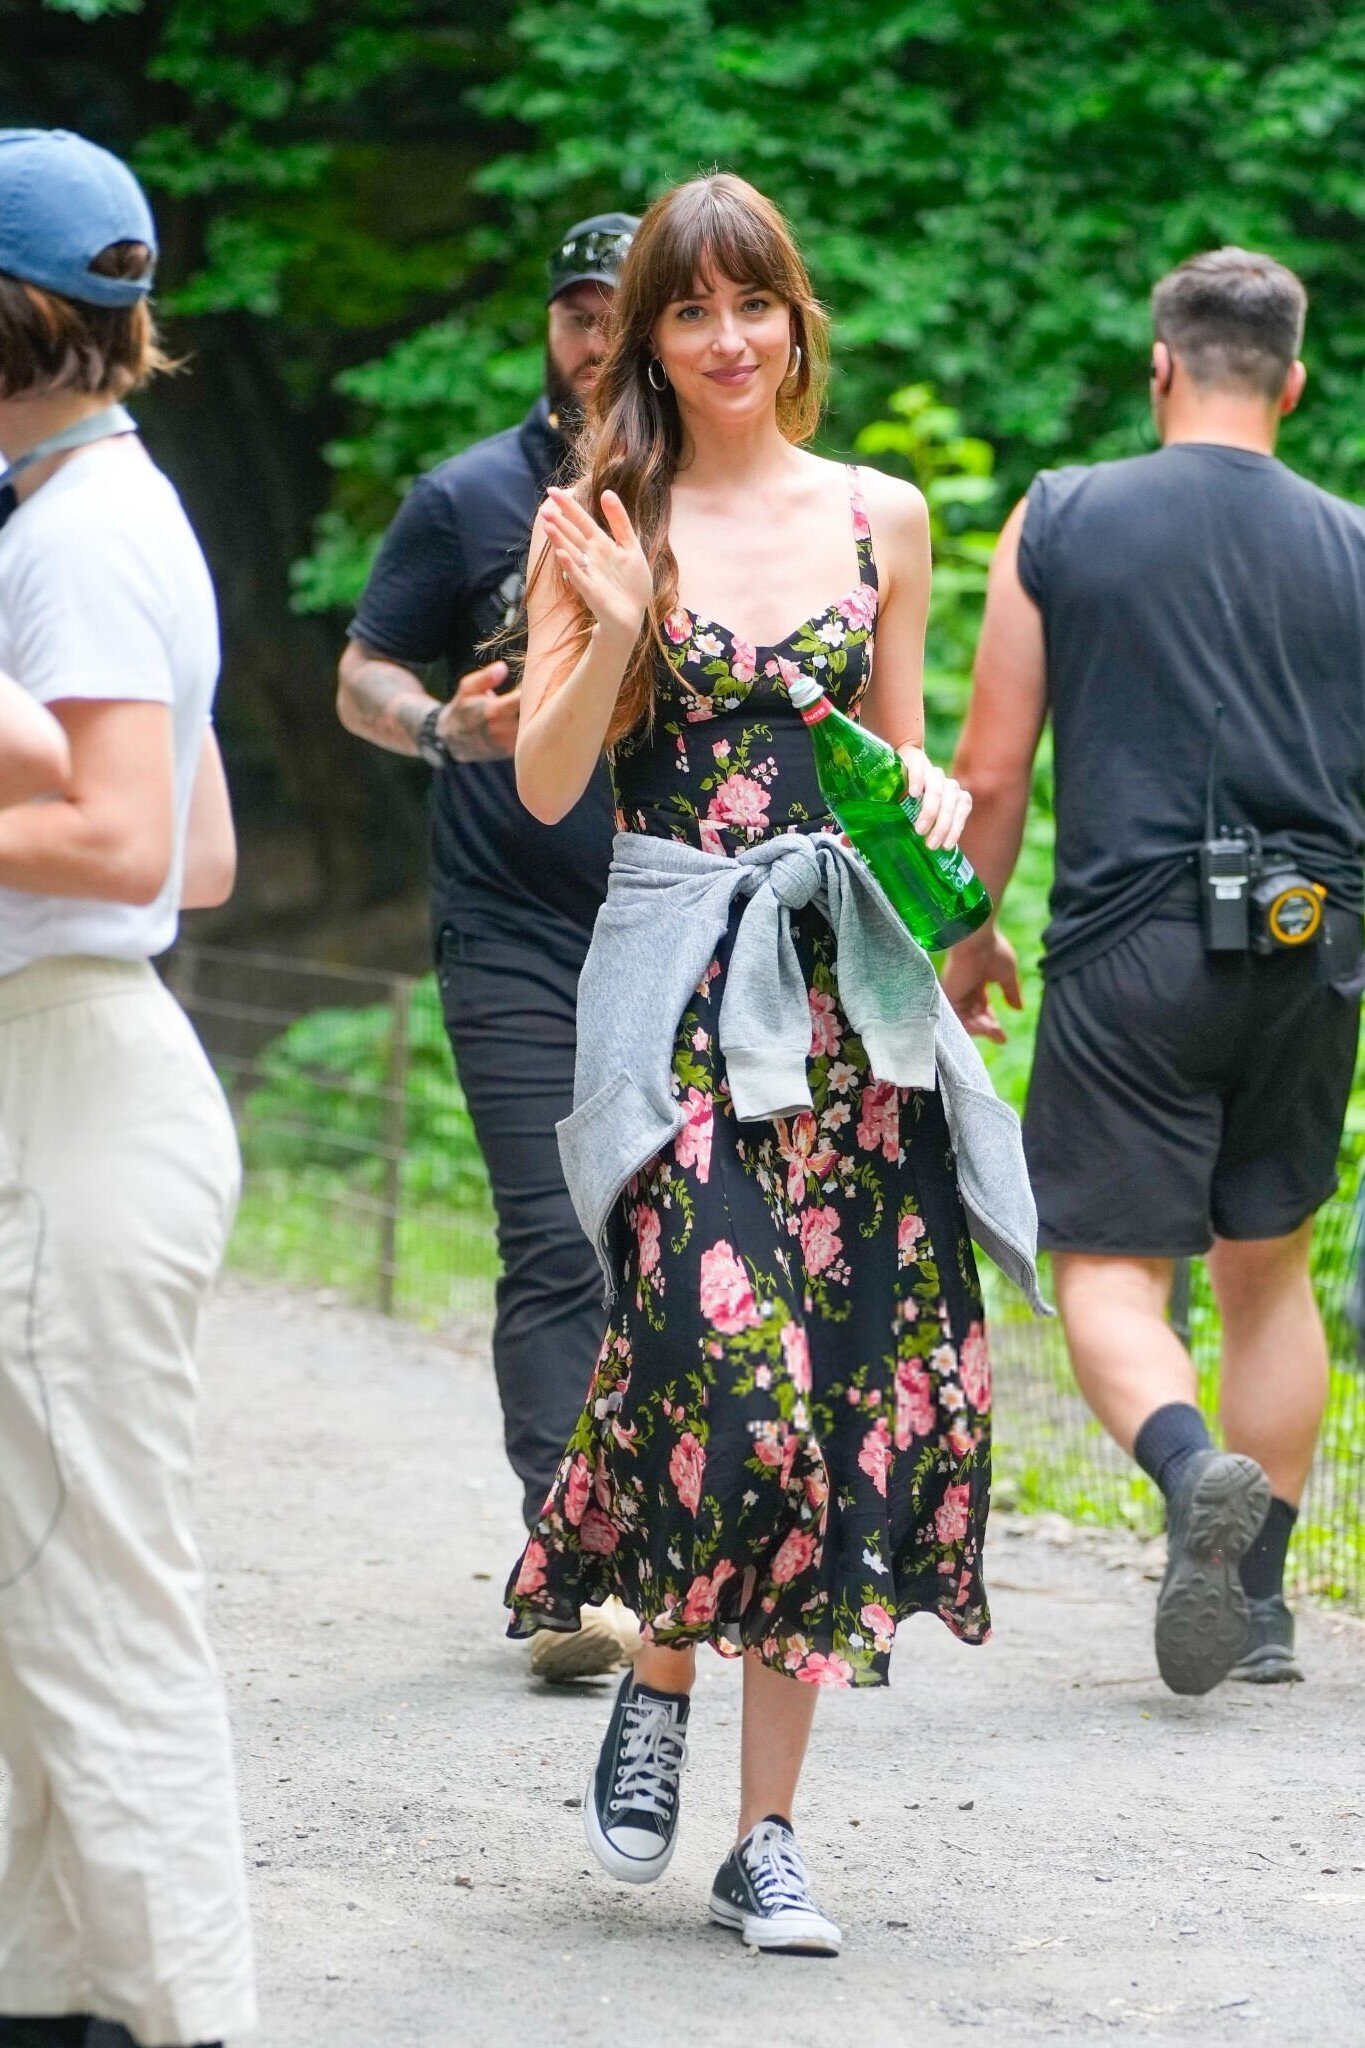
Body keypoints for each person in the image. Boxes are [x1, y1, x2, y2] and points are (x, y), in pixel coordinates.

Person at [504, 173, 1040, 1952]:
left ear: (794, 319)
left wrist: (952, 867)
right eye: (689, 311)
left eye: (756, 307)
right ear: (649, 335)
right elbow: (551, 784)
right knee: (722, 1370)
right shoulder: (596, 516)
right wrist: (630, 621)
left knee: (834, 1409)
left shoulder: (881, 515)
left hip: (848, 1019)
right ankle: (659, 1671)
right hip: (678, 1006)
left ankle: (765, 1837)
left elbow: (892, 772)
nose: (727, 342)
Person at [945, 247, 1365, 1694]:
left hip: (1134, 941)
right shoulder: (1357, 542)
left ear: (1160, 364)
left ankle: (1191, 1477)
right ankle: (1257, 1607)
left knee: (1106, 1272)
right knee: (1269, 1267)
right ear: (1292, 383)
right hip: (1316, 944)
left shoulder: (1062, 517)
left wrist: (964, 931)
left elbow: (990, 771)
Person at [0, 129, 251, 2047]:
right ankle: (59, 1994)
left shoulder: (73, 535)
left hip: (78, 1082)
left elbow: (114, 834)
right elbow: (209, 850)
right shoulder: (112, 508)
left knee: (98, 1608)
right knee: (41, 1595)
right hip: (93, 1069)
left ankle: (181, 2017)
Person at [336, 212, 644, 1684]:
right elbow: (361, 671)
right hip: (511, 924)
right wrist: (438, 726)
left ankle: (666, 1536)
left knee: (661, 1243)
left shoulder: (702, 501)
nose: (593, 336)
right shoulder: (465, 497)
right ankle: (567, 1571)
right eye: (574, 311)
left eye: (617, 310)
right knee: (549, 1235)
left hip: (674, 919)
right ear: (550, 328)